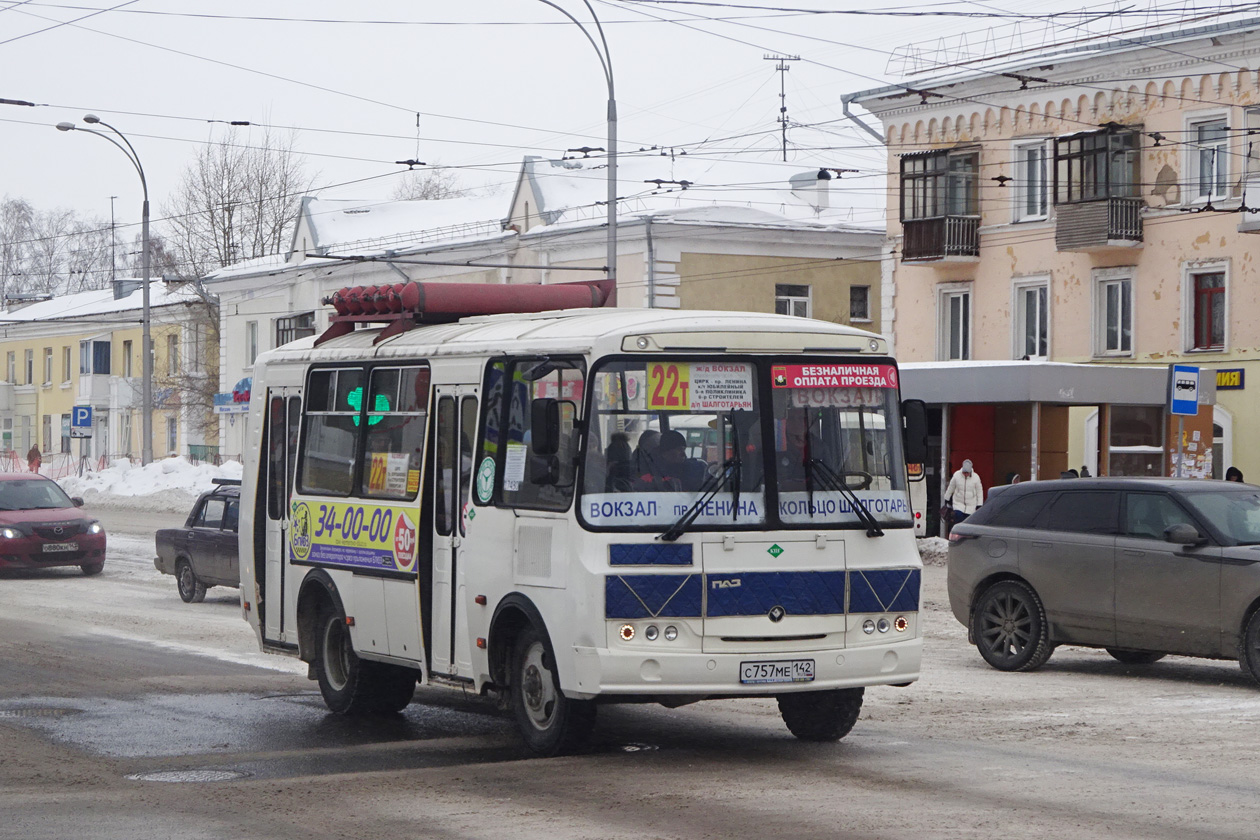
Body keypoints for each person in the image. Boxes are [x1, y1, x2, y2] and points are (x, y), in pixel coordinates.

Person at [636, 430, 707, 491]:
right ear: (665, 452)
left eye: (684, 449)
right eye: (679, 450)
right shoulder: (651, 472)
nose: (683, 454)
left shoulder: (695, 469)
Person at [943, 459, 984, 525]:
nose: (965, 474)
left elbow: (979, 492)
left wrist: (979, 504)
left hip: (971, 506)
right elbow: (951, 487)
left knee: (968, 524)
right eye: (964, 472)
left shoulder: (976, 478)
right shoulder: (956, 475)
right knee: (958, 519)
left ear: (970, 471)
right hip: (958, 504)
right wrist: (947, 498)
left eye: (967, 473)